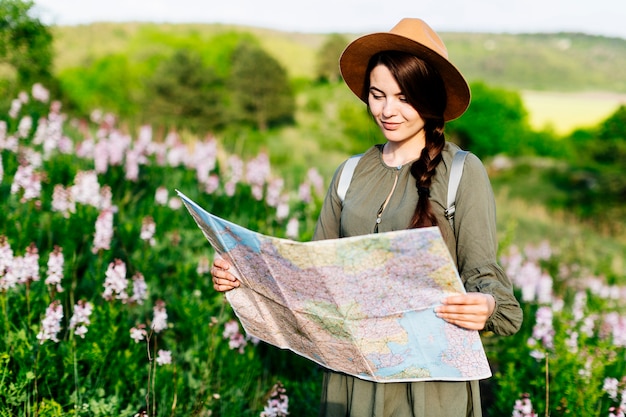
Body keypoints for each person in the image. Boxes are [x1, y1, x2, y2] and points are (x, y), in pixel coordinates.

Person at [211, 17, 523, 417]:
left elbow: (493, 289)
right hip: (351, 376)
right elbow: (311, 277)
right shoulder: (349, 173)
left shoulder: (463, 171)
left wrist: (486, 306)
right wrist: (244, 274)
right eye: (378, 95)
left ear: (428, 100)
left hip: (430, 383)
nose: (387, 110)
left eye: (404, 97)